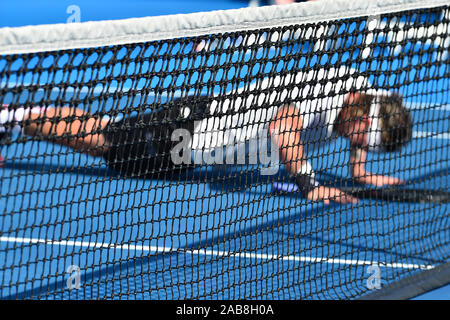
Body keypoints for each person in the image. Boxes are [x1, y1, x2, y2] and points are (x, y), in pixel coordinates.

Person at [0, 67, 412, 205]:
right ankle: (12, 119)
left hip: (198, 149)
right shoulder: (328, 95)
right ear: (364, 113)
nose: (356, 146)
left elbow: (355, 132)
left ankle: (16, 120)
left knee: (107, 133)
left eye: (363, 148)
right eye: (361, 141)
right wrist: (310, 184)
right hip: (191, 132)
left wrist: (359, 174)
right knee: (105, 140)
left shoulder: (360, 97)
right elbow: (282, 125)